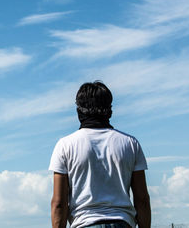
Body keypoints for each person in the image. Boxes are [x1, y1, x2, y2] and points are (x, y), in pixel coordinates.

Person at [49, 81, 151, 228]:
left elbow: (59, 203)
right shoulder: (130, 143)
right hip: (122, 222)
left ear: (79, 110)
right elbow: (142, 199)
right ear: (109, 110)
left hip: (84, 223)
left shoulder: (65, 145)